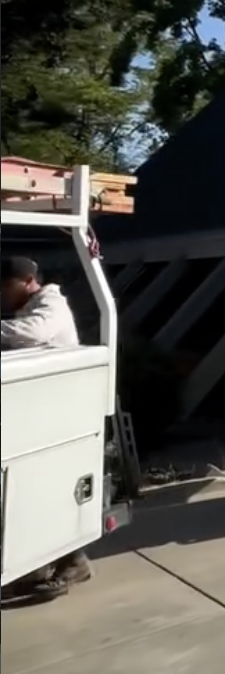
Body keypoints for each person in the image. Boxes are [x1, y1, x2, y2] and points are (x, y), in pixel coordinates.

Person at [1, 255, 91, 599]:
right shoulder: (28, 306)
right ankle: (37, 564)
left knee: (51, 490)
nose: (2, 295)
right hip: (40, 413)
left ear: (27, 281)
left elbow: (33, 333)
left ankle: (75, 564)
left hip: (62, 414)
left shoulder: (50, 303)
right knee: (30, 493)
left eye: (6, 287)